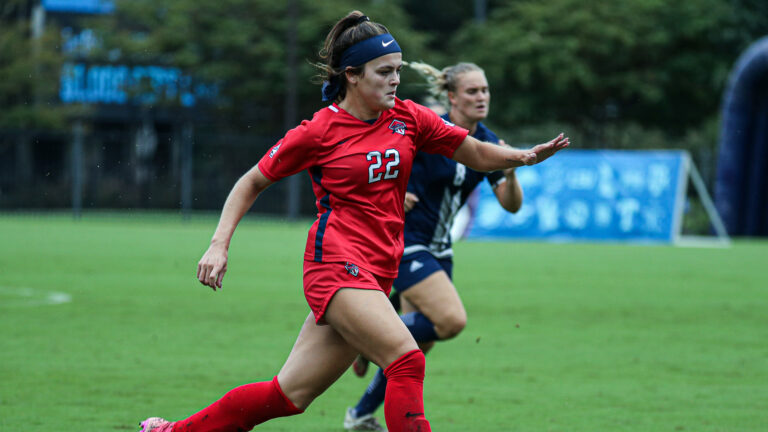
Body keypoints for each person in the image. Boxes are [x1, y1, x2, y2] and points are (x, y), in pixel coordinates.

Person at [139, 11, 569, 432]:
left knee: (288, 396)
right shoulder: (319, 132)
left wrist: (524, 156)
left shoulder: (409, 117)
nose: (395, 80)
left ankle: (173, 431)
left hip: (379, 268)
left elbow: (472, 151)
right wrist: (219, 243)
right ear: (352, 75)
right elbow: (251, 182)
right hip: (336, 265)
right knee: (407, 359)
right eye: (385, 71)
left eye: (398, 70)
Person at [343, 61, 526, 431]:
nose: (481, 97)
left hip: (441, 251)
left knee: (415, 349)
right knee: (450, 321)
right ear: (451, 96)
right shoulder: (427, 129)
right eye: (472, 91)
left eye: (485, 90)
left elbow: (511, 204)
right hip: (407, 243)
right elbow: (382, 156)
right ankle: (366, 337)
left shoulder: (487, 142)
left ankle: (360, 415)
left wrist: (510, 171)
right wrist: (397, 188)